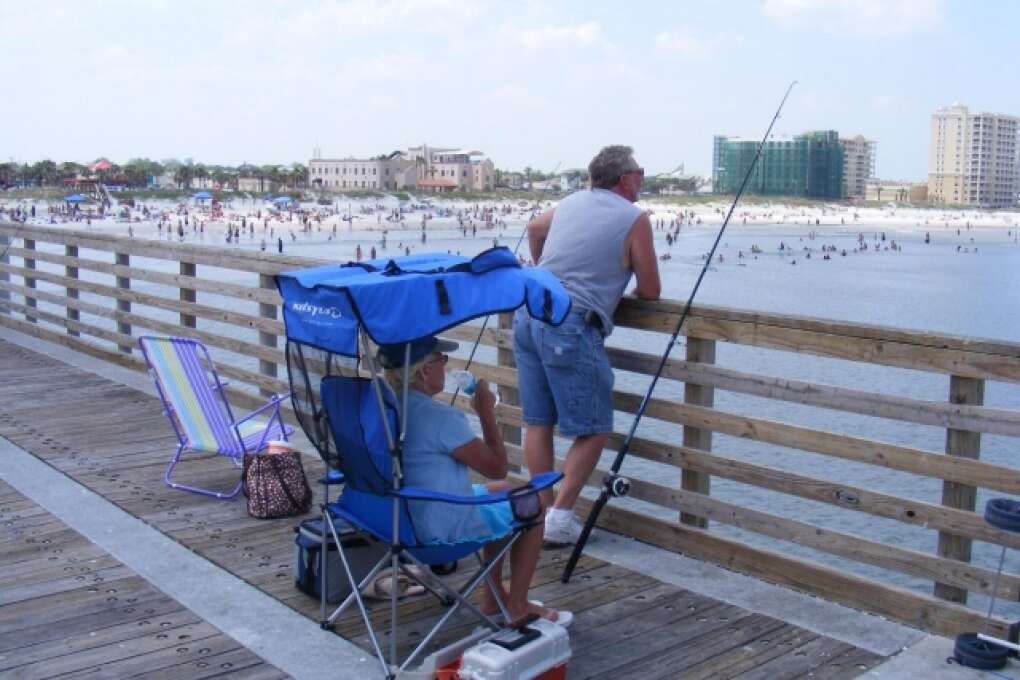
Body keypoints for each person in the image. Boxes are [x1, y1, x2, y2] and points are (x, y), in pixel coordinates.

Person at [513, 145, 660, 545]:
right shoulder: (634, 217)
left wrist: (549, 275)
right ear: (626, 178)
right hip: (569, 324)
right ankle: (559, 517)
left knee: (537, 422)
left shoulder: (572, 202)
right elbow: (650, 290)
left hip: (529, 313)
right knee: (594, 427)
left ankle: (542, 512)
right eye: (640, 172)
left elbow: (534, 229)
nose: (642, 180)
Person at [377, 337, 571, 627]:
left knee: (506, 491)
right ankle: (518, 605)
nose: (447, 366)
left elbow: (499, 481)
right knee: (531, 506)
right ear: (424, 371)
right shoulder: (440, 418)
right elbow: (496, 467)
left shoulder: (381, 406)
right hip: (435, 529)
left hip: (388, 518)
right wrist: (485, 411)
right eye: (442, 360)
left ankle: (493, 598)